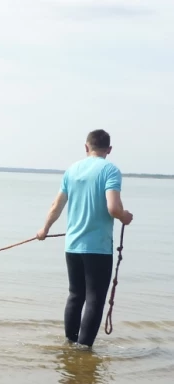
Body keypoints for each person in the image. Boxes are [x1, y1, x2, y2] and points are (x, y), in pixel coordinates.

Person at [36, 129, 133, 347]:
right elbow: (114, 208)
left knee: (75, 295)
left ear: (86, 147)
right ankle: (83, 351)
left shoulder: (72, 170)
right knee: (95, 299)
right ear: (109, 149)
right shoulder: (110, 170)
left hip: (72, 246)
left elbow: (56, 206)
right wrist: (125, 217)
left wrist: (44, 229)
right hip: (97, 248)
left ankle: (70, 344)